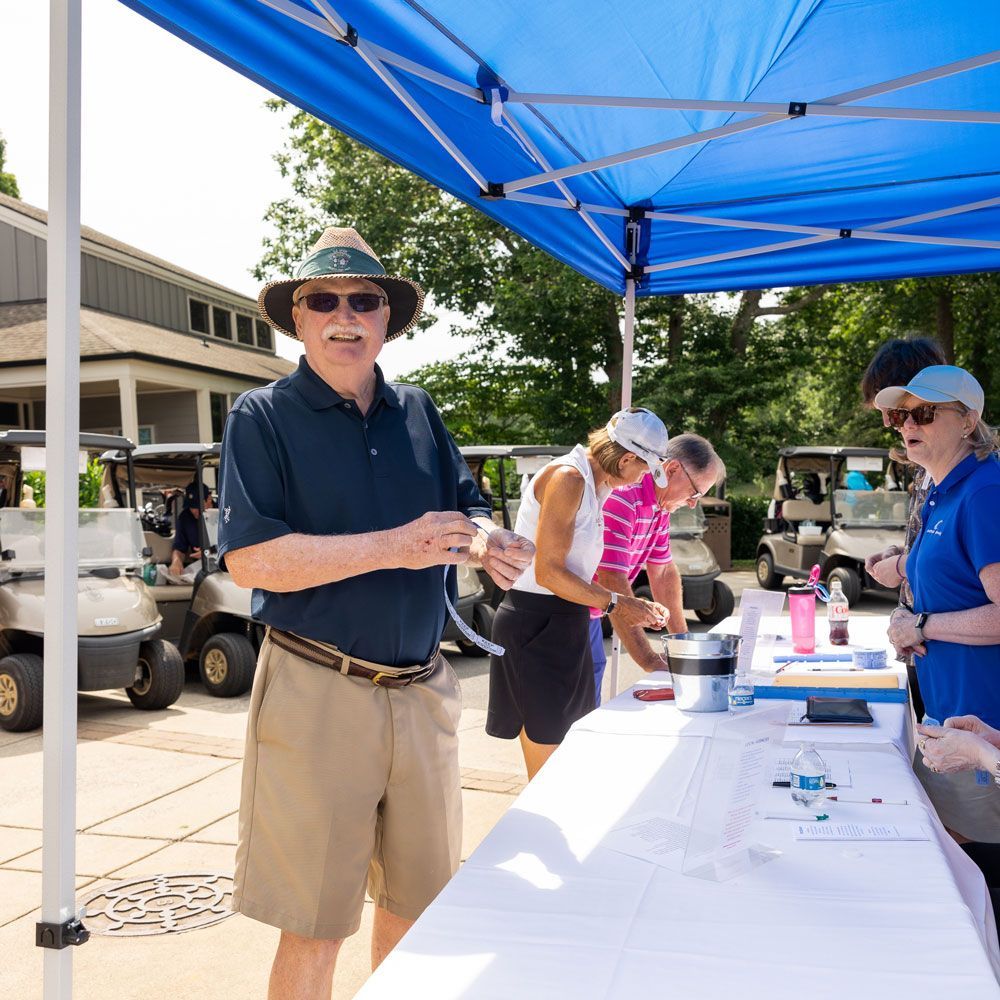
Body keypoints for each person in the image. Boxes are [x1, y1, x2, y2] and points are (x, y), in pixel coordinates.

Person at [217, 226, 534, 1000]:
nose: (344, 315)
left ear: (387, 318)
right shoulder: (261, 417)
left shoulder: (419, 411)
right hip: (318, 690)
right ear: (297, 319)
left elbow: (465, 506)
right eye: (321, 300)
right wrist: (397, 545)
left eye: (364, 300)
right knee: (316, 923)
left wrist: (490, 542)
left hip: (423, 691)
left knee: (419, 908)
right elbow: (252, 560)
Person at [487, 407, 669, 779]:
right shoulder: (569, 478)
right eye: (642, 471)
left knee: (570, 758)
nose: (639, 481)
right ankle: (536, 837)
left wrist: (629, 603)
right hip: (535, 626)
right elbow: (549, 572)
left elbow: (577, 570)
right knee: (548, 773)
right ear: (628, 458)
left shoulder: (595, 484)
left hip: (564, 623)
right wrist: (618, 604)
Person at [872, 365, 1000, 842]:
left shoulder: (985, 492)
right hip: (947, 713)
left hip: (982, 728)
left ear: (968, 421)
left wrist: (922, 626)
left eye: (924, 413)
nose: (908, 426)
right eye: (900, 416)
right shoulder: (941, 490)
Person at [588, 433, 726, 704]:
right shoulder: (624, 496)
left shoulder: (659, 507)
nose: (693, 503)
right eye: (695, 492)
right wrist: (649, 658)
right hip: (566, 614)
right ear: (672, 468)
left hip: (590, 616)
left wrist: (681, 645)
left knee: (585, 704)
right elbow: (611, 578)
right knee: (567, 719)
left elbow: (663, 573)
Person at [860, 336, 948, 721]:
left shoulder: (975, 480)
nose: (888, 422)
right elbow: (939, 546)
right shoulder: (924, 465)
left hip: (953, 664)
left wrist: (900, 568)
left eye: (893, 409)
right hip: (926, 653)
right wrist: (901, 558)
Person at [168, 480, 211, 576]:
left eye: (198, 506)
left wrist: (210, 552)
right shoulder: (185, 517)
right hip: (199, 568)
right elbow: (179, 547)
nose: (195, 510)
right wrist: (176, 560)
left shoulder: (224, 513)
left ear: (209, 499)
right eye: (191, 506)